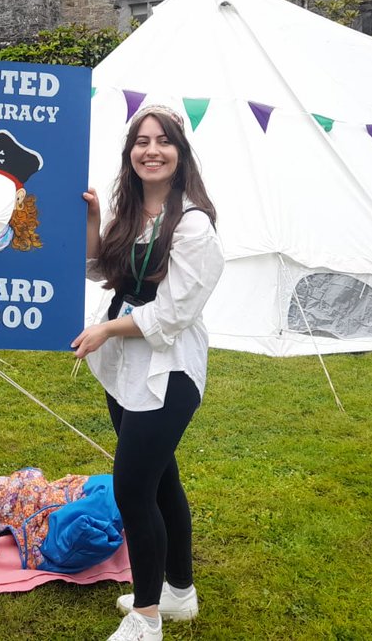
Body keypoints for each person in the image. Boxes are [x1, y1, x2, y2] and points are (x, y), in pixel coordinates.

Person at [71, 105, 224, 641]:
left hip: (169, 368)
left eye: (162, 141)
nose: (151, 150)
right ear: (130, 152)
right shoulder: (132, 212)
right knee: (161, 479)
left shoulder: (194, 226)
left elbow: (175, 313)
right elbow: (100, 268)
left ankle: (148, 615)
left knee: (132, 488)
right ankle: (179, 592)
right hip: (126, 365)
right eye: (141, 141)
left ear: (180, 154)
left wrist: (108, 331)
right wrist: (93, 220)